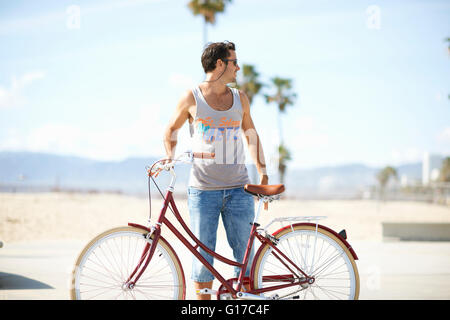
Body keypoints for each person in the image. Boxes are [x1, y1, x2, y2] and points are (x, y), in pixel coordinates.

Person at [163, 41, 268, 300]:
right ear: (220, 64)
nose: (238, 67)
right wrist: (170, 157)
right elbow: (170, 130)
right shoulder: (192, 97)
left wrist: (263, 172)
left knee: (245, 257)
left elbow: (251, 135)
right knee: (203, 257)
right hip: (203, 191)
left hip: (239, 189)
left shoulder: (240, 98)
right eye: (234, 62)